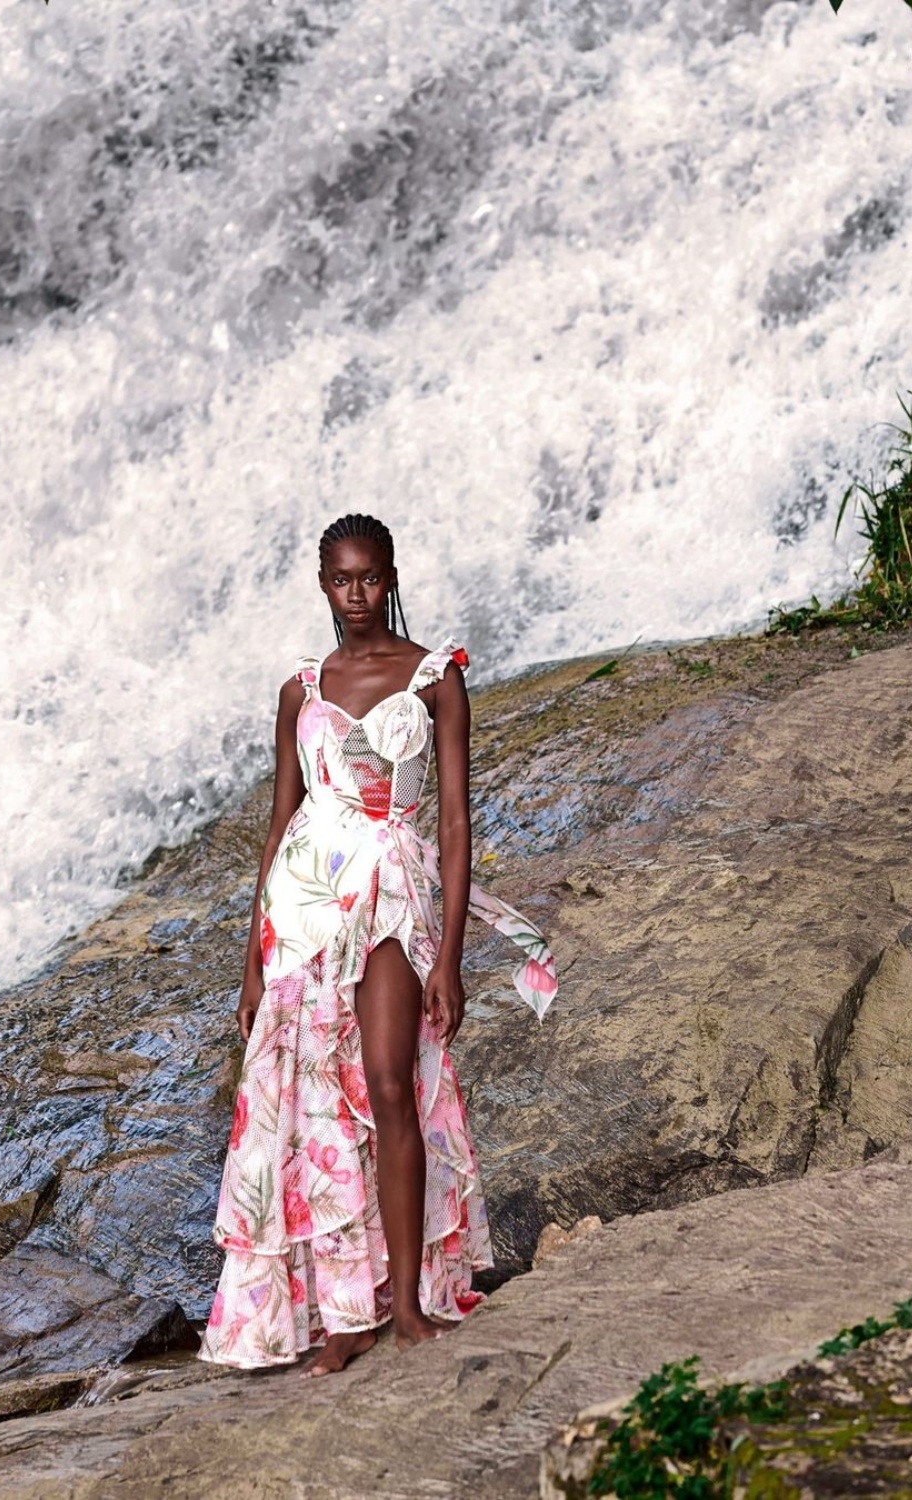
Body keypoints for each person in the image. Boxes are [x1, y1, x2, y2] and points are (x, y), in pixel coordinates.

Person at [198, 513, 557, 1376]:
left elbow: (459, 819)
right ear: (324, 584)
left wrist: (451, 961)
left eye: (369, 578)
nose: (355, 594)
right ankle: (344, 1318)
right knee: (314, 1103)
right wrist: (252, 963)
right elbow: (280, 824)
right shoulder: (300, 688)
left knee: (392, 1085)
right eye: (339, 580)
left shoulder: (434, 678)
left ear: (390, 577)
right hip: (304, 904)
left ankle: (407, 1308)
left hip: (392, 892)